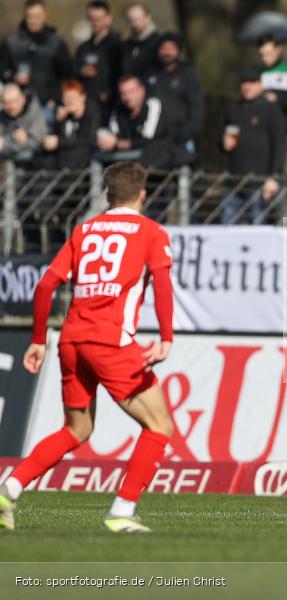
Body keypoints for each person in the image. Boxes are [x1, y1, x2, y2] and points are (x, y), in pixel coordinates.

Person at [0, 161, 175, 533]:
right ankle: (122, 512)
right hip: (109, 341)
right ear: (143, 195)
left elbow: (46, 286)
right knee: (159, 426)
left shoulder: (85, 230)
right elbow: (161, 282)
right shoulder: (151, 232)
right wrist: (165, 338)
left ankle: (8, 490)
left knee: (76, 430)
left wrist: (37, 341)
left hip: (70, 340)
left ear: (108, 195)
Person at [221, 67, 286, 224]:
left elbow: (279, 144)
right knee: (226, 226)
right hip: (233, 181)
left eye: (252, 83)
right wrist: (223, 143)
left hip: (259, 182)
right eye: (244, 83)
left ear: (260, 85)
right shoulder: (234, 109)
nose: (247, 86)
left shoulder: (270, 109)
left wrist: (274, 176)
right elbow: (222, 139)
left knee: (259, 227)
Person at [0, 0, 72, 109]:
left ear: (45, 16)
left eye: (37, 16)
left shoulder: (56, 43)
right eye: (30, 16)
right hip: (16, 107)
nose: (34, 20)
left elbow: (66, 74)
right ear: (25, 16)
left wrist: (55, 98)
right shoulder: (11, 41)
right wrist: (13, 77)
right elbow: (2, 67)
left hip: (47, 105)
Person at [100, 75, 180, 169]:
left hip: (163, 167)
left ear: (142, 91)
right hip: (131, 169)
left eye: (131, 92)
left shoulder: (154, 106)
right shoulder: (117, 112)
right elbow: (113, 135)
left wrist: (117, 143)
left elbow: (147, 140)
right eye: (123, 93)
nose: (126, 97)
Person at [146, 32, 204, 155]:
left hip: (181, 138)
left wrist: (185, 133)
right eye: (163, 48)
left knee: (183, 171)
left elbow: (196, 108)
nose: (166, 52)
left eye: (171, 48)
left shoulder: (188, 74)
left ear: (178, 51)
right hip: (153, 139)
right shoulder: (150, 74)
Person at [74, 0, 121, 120]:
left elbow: (121, 74)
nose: (94, 23)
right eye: (91, 19)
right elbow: (72, 70)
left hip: (109, 105)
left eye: (98, 19)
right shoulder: (83, 47)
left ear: (108, 19)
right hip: (86, 105)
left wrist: (109, 92)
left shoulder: (117, 46)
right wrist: (81, 70)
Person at [42, 80, 99, 169]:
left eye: (73, 97)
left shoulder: (92, 113)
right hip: (64, 166)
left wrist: (59, 142)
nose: (70, 101)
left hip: (86, 166)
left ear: (83, 97)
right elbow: (53, 139)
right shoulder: (63, 116)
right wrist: (58, 122)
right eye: (66, 98)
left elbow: (90, 139)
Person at [0, 83, 47, 157]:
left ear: (23, 99)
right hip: (8, 158)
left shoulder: (34, 111)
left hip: (36, 159)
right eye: (6, 102)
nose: (11, 106)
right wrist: (12, 137)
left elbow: (37, 142)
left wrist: (6, 144)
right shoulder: (2, 115)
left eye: (13, 101)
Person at [120, 3, 161, 78]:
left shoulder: (159, 42)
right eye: (131, 20)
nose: (135, 24)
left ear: (148, 17)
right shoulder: (127, 45)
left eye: (138, 19)